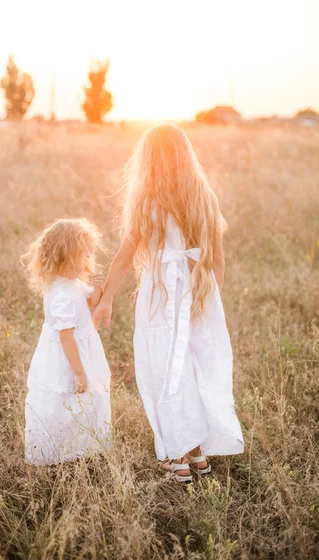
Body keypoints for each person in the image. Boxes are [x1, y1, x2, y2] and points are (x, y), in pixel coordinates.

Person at [93, 124, 244, 483]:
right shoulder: (204, 195)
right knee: (191, 368)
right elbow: (217, 259)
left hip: (161, 297)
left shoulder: (148, 198)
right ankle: (196, 452)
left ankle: (177, 455)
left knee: (162, 369)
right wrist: (211, 301)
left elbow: (125, 257)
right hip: (197, 293)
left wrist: (107, 298)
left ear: (148, 160)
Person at [22, 218, 111, 465]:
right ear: (69, 255)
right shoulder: (62, 293)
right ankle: (62, 453)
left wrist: (98, 289)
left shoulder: (71, 283)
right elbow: (66, 337)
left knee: (84, 401)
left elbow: (91, 303)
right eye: (85, 254)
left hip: (79, 351)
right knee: (65, 400)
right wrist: (79, 372)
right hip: (68, 358)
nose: (89, 259)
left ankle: (83, 448)